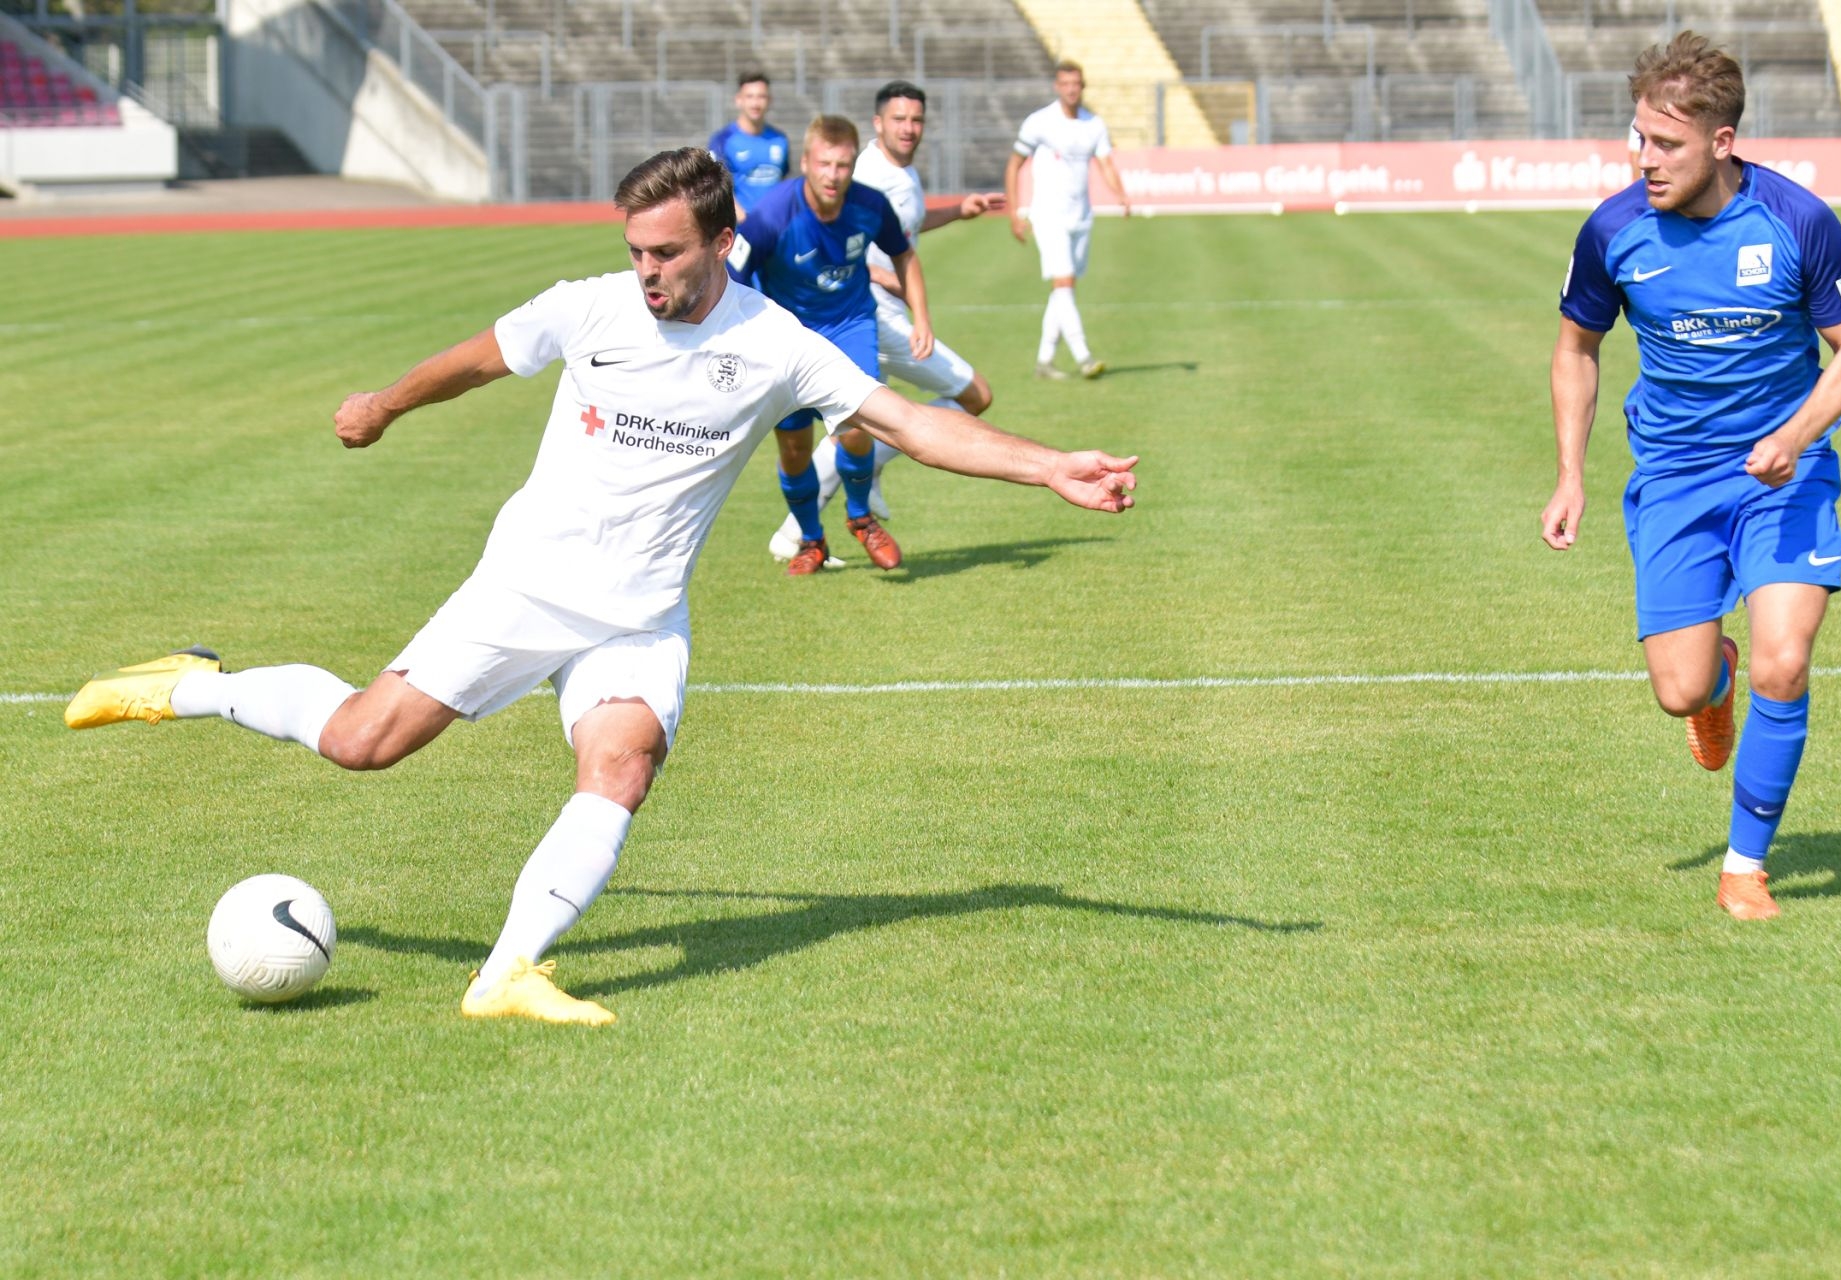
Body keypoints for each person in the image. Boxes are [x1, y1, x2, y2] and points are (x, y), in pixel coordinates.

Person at [62, 148, 1139, 1025]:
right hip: (526, 585)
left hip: (640, 613)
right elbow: (484, 356)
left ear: (725, 243)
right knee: (359, 740)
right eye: (635, 251)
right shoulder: (591, 308)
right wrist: (386, 403)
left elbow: (911, 421)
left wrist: (1049, 466)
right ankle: (186, 683)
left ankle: (508, 973)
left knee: (620, 765)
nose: (648, 273)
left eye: (668, 252)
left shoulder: (774, 346)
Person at [1543, 32, 1841, 921]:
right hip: (1676, 480)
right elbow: (1577, 351)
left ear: (1722, 143)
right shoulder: (1614, 229)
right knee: (1680, 691)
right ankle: (1712, 682)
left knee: (1786, 662)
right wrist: (1571, 474)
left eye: (1666, 145)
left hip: (1785, 476)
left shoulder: (1797, 219)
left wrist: (1800, 433)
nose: (1643, 160)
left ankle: (1745, 866)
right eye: (1638, 139)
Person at [767, 79, 1006, 562]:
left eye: (916, 120)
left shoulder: (899, 173)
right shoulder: (866, 175)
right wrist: (879, 275)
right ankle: (801, 528)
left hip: (882, 314)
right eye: (899, 119)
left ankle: (805, 527)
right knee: (959, 398)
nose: (909, 128)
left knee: (857, 424)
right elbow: (838, 237)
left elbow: (901, 231)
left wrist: (958, 211)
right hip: (870, 314)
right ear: (878, 124)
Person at [729, 115, 929, 575]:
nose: (833, 175)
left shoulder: (869, 205)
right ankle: (812, 541)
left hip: (849, 325)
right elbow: (731, 277)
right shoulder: (773, 215)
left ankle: (860, 517)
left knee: (857, 429)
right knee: (795, 448)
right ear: (805, 163)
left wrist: (922, 316)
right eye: (824, 164)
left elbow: (903, 252)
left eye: (842, 165)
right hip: (787, 339)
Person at [1004, 60, 1130, 381]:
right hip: (1048, 215)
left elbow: (1106, 164)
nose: (1071, 89)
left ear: (1082, 86)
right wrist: (1015, 212)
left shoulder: (1094, 124)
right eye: (1065, 83)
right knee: (1064, 283)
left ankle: (1044, 361)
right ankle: (1084, 356)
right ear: (1057, 87)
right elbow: (1014, 165)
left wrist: (1121, 194)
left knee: (1064, 291)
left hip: (1081, 217)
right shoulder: (1040, 122)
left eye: (1076, 83)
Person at [708, 72, 789, 219]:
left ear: (769, 100)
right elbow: (716, 186)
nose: (756, 103)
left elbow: (782, 182)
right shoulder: (723, 140)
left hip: (774, 226)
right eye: (749, 96)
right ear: (738, 100)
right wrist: (744, 220)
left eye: (761, 97)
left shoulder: (780, 140)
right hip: (740, 228)